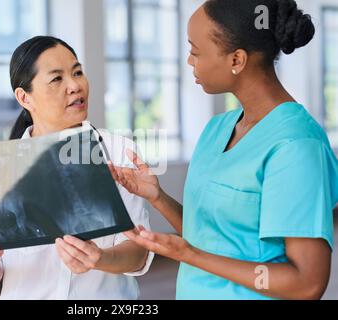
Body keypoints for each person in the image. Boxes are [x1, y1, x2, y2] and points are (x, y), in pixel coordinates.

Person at [110, 0, 338, 300]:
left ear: (237, 59)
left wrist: (190, 255)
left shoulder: (296, 147)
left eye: (195, 51)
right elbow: (211, 235)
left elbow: (306, 283)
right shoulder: (217, 129)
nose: (190, 62)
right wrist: (158, 197)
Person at [0, 36, 154, 300]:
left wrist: (100, 258)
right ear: (24, 97)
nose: (75, 85)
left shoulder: (120, 152)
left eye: (77, 72)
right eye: (56, 79)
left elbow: (140, 252)